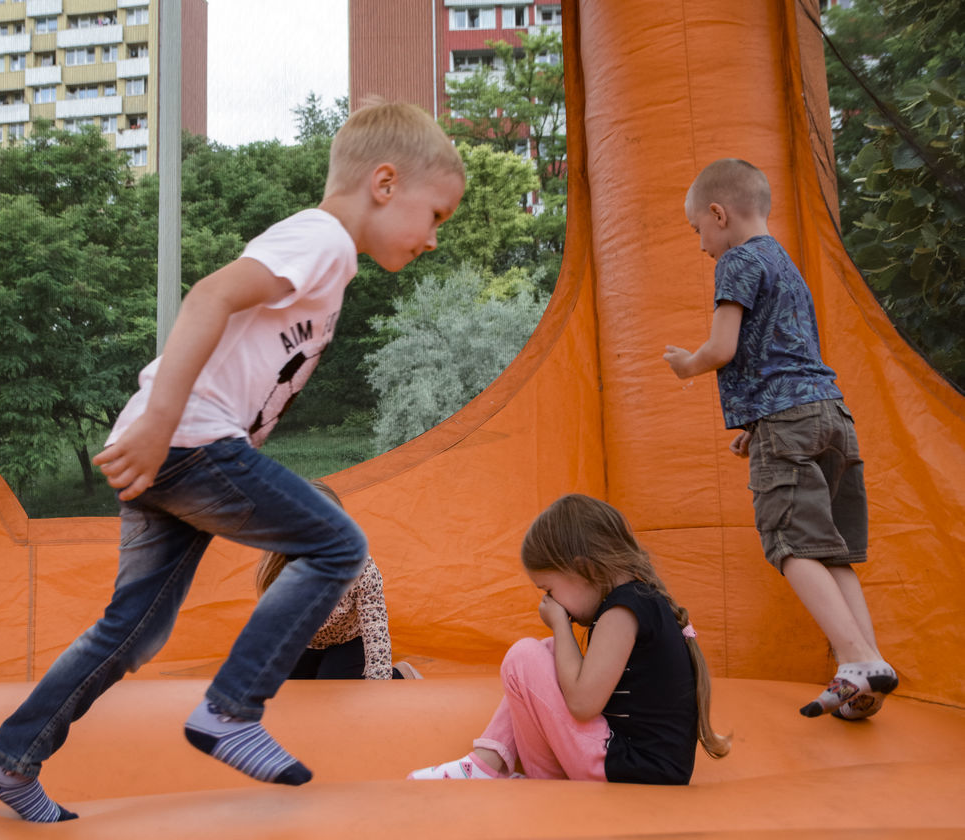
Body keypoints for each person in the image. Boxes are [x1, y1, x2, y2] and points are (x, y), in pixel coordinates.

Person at [0, 100, 466, 822]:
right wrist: (161, 422)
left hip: (176, 445)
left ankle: (11, 755)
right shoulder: (324, 239)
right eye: (437, 215)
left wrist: (162, 428)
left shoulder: (331, 259)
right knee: (338, 543)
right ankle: (231, 710)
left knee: (132, 630)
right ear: (384, 184)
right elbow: (210, 296)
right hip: (188, 439)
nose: (435, 239)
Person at [663, 158, 897, 720]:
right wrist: (758, 429)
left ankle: (856, 659)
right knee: (833, 552)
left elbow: (723, 348)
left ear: (719, 214)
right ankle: (870, 669)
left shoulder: (737, 260)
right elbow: (787, 356)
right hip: (831, 416)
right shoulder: (786, 264)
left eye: (698, 230)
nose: (701, 245)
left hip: (788, 421)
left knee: (790, 545)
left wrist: (688, 364)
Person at [409, 494, 730, 783]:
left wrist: (560, 626)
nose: (549, 601)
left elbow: (582, 705)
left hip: (630, 768)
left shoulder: (623, 610)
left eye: (549, 589)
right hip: (636, 765)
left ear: (583, 569)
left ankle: (489, 765)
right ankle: (493, 762)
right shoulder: (640, 600)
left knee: (524, 656)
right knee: (547, 652)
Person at [256, 480, 422, 680]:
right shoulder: (281, 567)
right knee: (284, 687)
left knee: (334, 686)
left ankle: (401, 674)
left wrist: (379, 678)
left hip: (347, 641)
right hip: (305, 643)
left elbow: (375, 624)